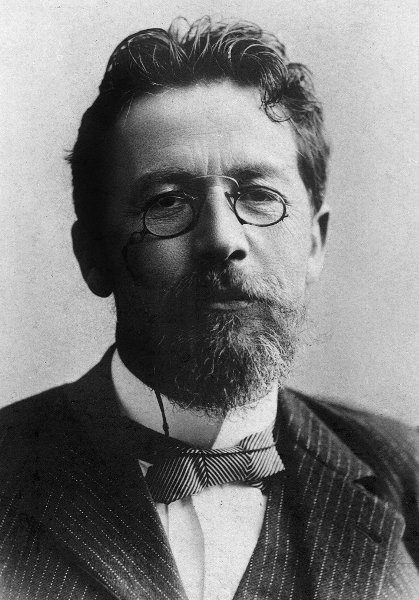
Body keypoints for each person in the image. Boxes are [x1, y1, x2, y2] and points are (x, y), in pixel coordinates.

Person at [0, 16, 417, 600]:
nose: (223, 239)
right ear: (93, 255)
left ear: (314, 243)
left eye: (260, 196)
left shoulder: (405, 474)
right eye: (167, 202)